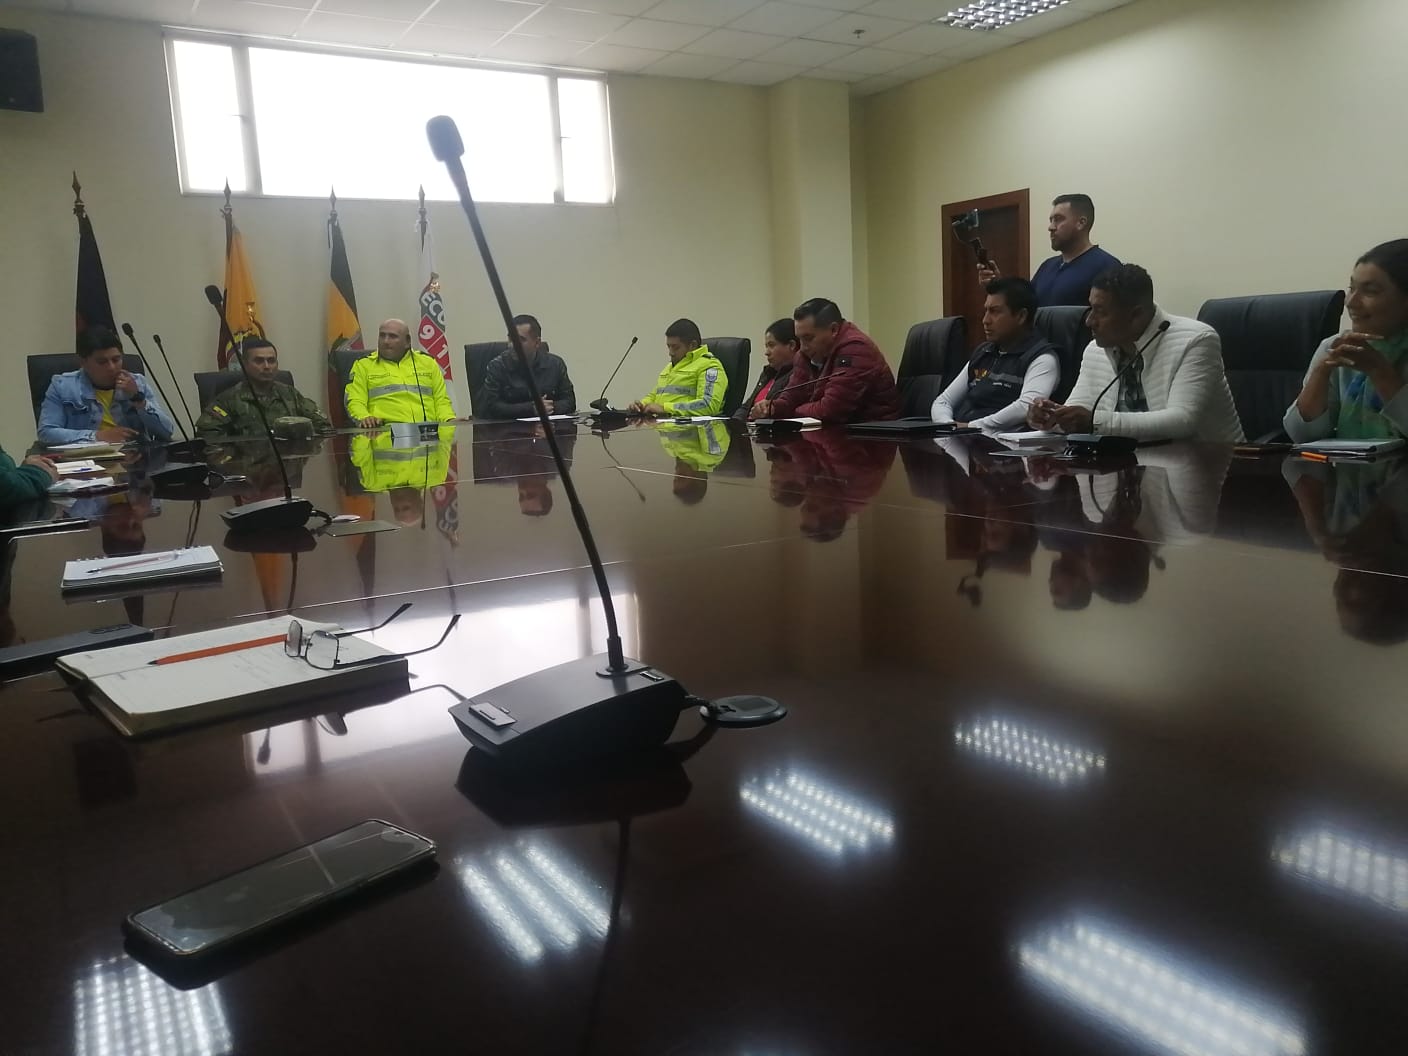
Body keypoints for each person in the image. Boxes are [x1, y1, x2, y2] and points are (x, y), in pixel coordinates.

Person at [1027, 264, 1244, 442]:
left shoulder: (1196, 340)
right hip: (1130, 464)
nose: (1089, 321)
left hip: (1214, 467)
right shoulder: (1095, 349)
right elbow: (1080, 412)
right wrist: (1051, 417)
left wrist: (1094, 421)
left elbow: (1182, 421)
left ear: (1136, 315)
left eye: (1100, 312)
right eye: (1091, 308)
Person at [1285, 239, 1408, 442]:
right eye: (1352, 288)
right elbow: (1302, 436)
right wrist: (1321, 372)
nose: (1351, 302)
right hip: (1345, 463)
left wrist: (1379, 371)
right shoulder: (1336, 347)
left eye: (1370, 291)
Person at [931, 277, 1060, 430]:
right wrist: (949, 427)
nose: (985, 320)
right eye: (986, 311)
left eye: (995, 312)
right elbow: (943, 401)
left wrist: (971, 427)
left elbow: (1026, 406)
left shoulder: (1042, 358)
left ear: (1021, 316)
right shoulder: (983, 352)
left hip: (999, 441)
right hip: (962, 435)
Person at [758, 298, 900, 424]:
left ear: (833, 330)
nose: (803, 347)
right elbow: (792, 397)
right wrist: (772, 407)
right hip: (835, 434)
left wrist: (793, 411)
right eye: (799, 338)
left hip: (872, 436)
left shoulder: (855, 348)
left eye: (808, 338)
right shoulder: (805, 354)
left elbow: (831, 410)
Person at [38, 326, 177, 444]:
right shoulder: (62, 386)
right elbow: (46, 432)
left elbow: (166, 432)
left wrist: (138, 399)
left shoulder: (137, 383)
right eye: (102, 362)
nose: (111, 367)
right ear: (83, 362)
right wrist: (98, 436)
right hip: (86, 460)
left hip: (135, 458)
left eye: (116, 359)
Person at [979, 194, 1121, 307]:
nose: (1051, 227)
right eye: (1051, 220)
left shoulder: (1107, 267)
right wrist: (999, 284)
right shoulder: (1047, 266)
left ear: (1081, 223)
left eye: (1058, 219)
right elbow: (1025, 305)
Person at [195, 338, 331, 437]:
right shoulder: (228, 400)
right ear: (244, 365)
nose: (266, 366)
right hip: (247, 466)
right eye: (259, 361)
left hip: (287, 462)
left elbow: (324, 427)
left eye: (271, 361)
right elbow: (208, 437)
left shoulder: (290, 394)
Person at [345, 318, 456, 427]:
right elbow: (355, 400)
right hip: (384, 433)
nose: (386, 341)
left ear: (407, 341)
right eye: (382, 336)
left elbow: (441, 400)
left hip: (427, 433)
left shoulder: (428, 363)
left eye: (393, 336)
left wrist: (449, 419)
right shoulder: (363, 365)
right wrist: (364, 417)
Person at [479, 314, 577, 420]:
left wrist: (550, 407)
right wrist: (530, 409)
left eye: (520, 340)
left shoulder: (555, 364)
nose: (512, 345)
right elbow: (491, 407)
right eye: (510, 339)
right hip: (510, 428)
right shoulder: (497, 366)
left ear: (537, 343)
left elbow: (570, 402)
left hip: (548, 427)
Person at [629, 319, 728, 417]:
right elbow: (655, 395)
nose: (670, 353)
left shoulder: (709, 366)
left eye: (675, 347)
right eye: (668, 346)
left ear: (692, 345)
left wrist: (665, 408)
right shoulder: (670, 367)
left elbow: (708, 405)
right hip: (663, 424)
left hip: (690, 426)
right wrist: (642, 405)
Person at [733, 319, 799, 421]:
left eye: (771, 345)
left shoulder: (797, 375)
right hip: (748, 427)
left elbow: (783, 411)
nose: (766, 352)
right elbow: (746, 407)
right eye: (766, 346)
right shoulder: (767, 373)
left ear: (791, 345)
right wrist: (733, 424)